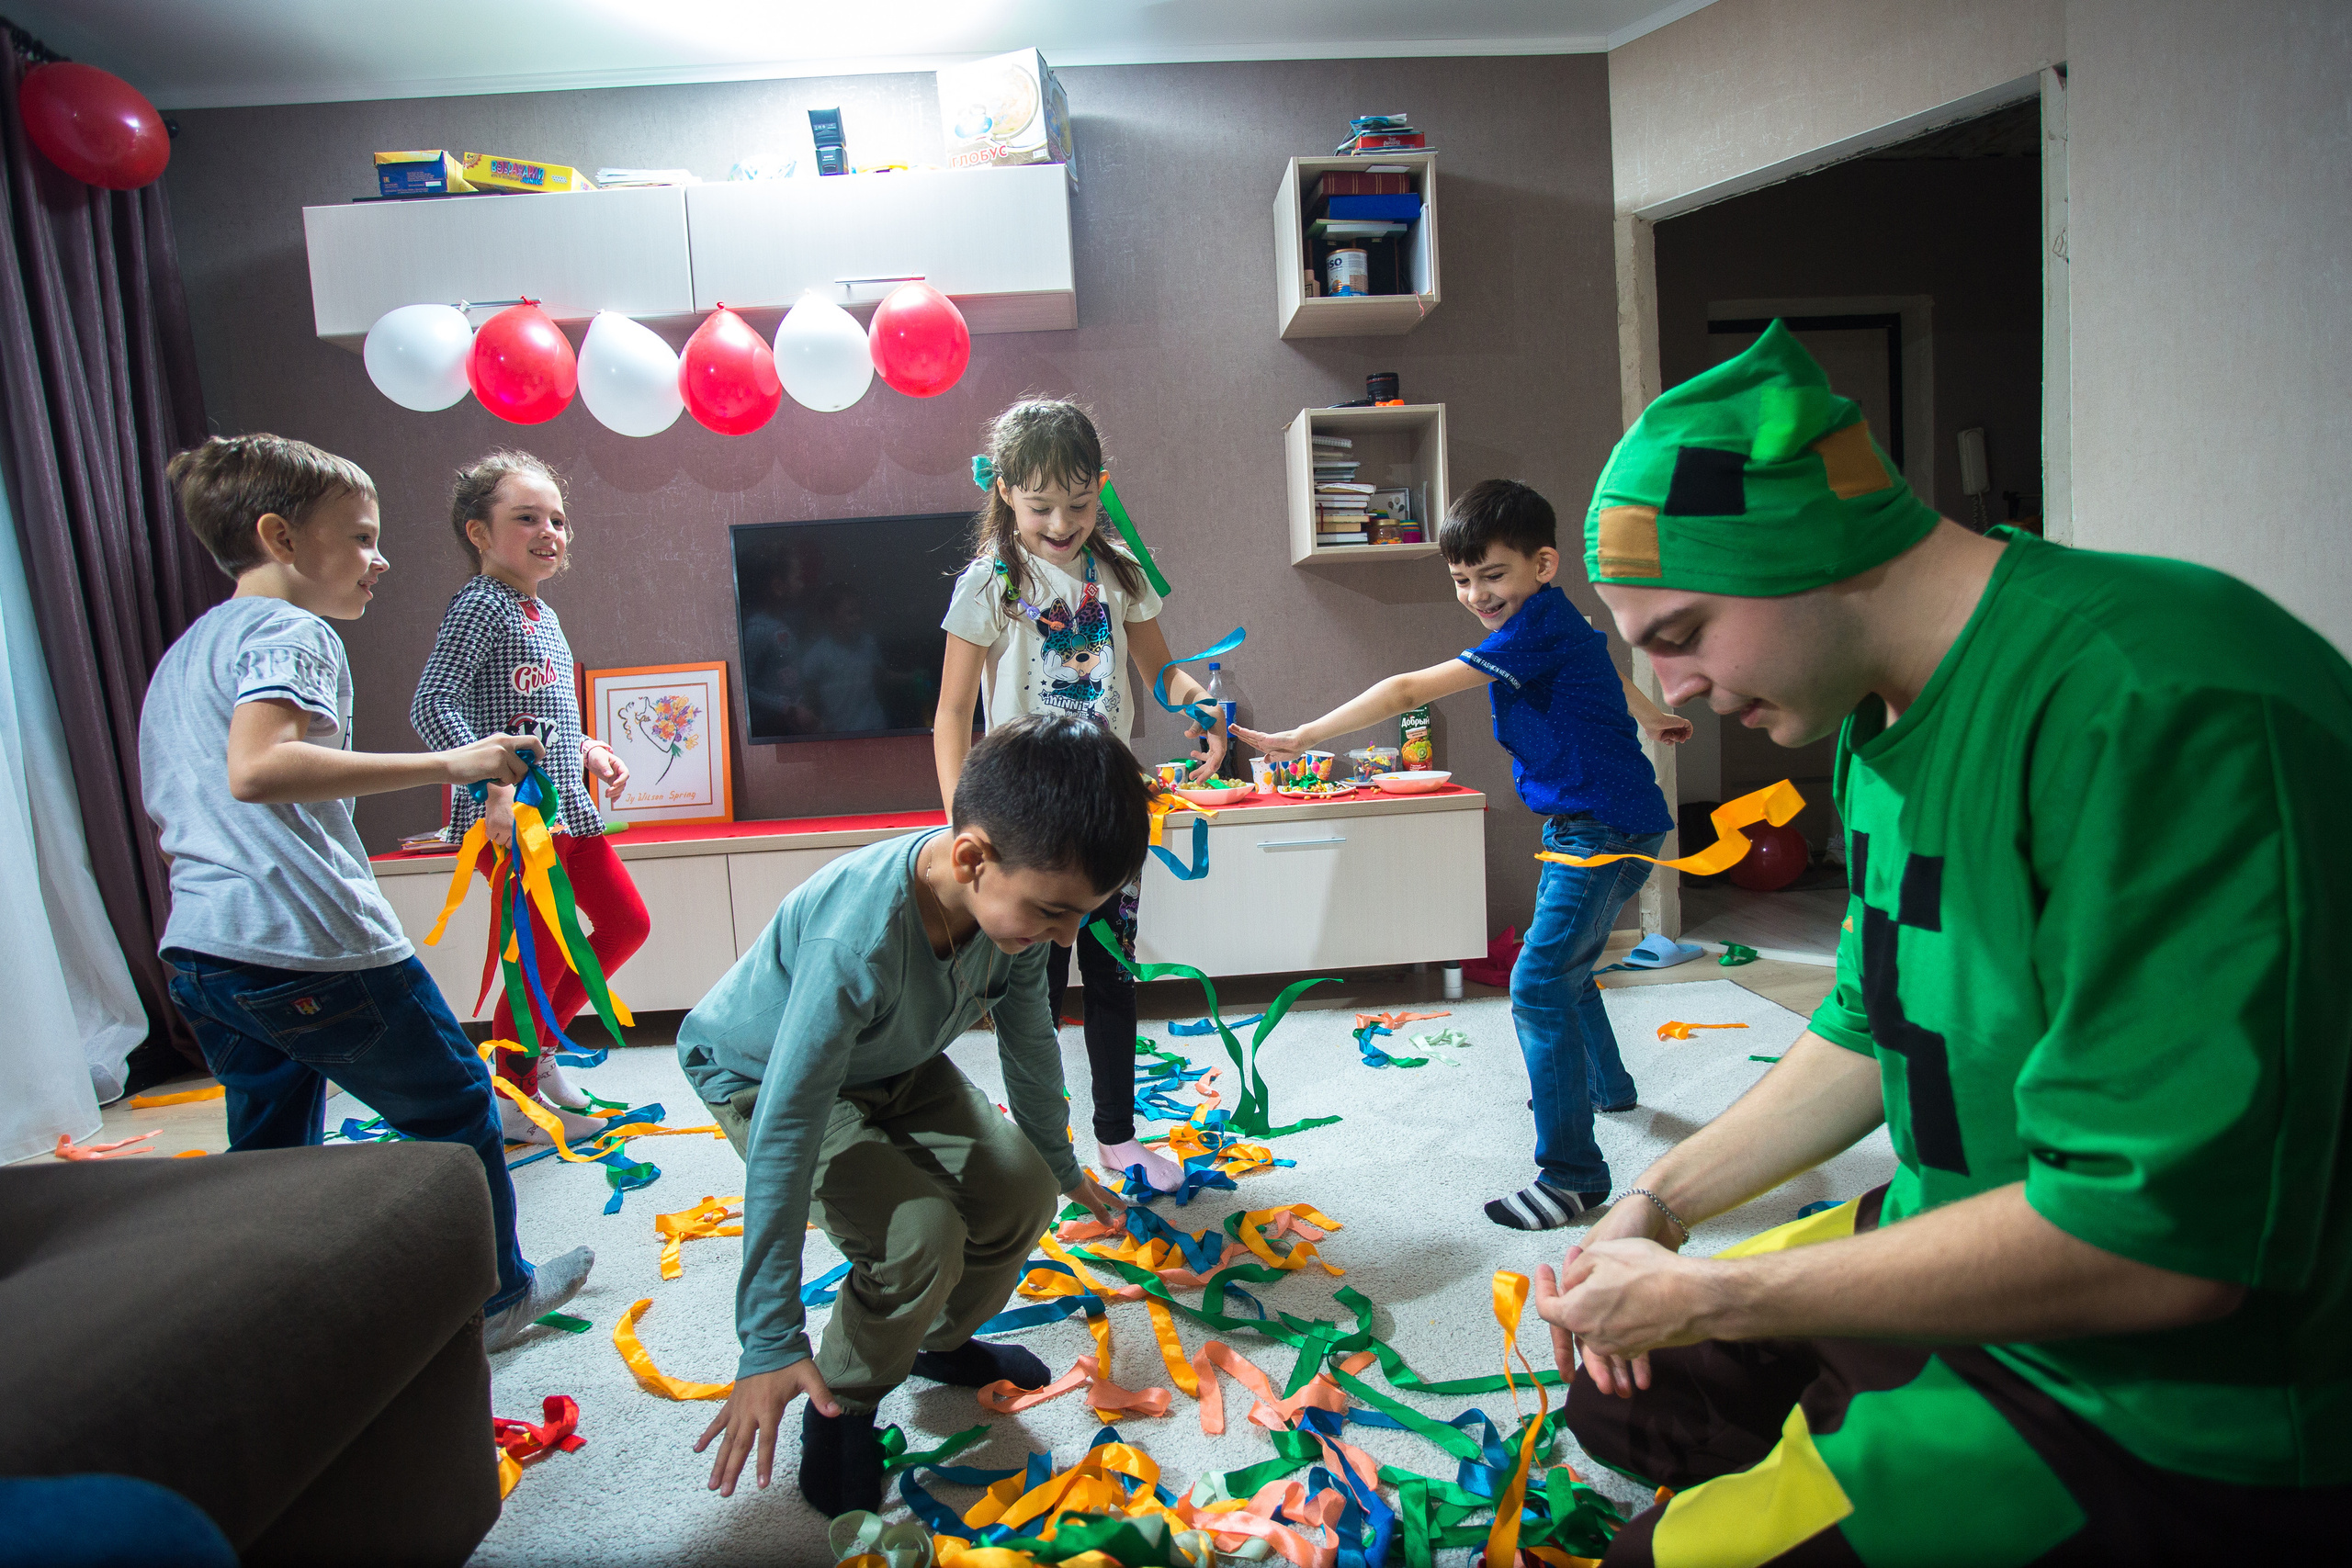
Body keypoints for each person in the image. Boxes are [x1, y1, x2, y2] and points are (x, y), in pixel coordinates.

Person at [1531, 321, 2352, 1563]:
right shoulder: (1877, 711)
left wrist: (1719, 1288)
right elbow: (1873, 1014)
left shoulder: (2163, 705)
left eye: (1681, 635)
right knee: (1631, 1386)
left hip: (2153, 1394)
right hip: (1954, 1224)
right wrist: (1659, 1201)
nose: (1674, 693)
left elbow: (2153, 1251)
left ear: (1807, 553)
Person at [141, 434, 593, 1351]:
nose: (380, 559)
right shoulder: (291, 631)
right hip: (307, 943)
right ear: (280, 538)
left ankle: (270, 1306)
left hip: (203, 949)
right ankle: (498, 1294)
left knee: (272, 1141)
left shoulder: (189, 649)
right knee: (462, 1106)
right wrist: (456, 761)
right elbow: (259, 766)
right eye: (360, 538)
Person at [681, 714, 1135, 1516]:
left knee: (1021, 1194)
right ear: (971, 857)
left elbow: (1030, 1047)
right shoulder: (857, 938)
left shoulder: (1016, 924)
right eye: (1053, 912)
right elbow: (788, 1123)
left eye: (1079, 917)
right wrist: (768, 1337)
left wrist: (1062, 1167)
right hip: (763, 1075)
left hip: (891, 1058)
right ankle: (845, 1403)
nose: (1062, 936)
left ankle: (937, 1339)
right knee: (919, 1233)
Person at [1233, 479, 1691, 1231]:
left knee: (1540, 983)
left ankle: (1574, 1174)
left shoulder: (1535, 626)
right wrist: (1652, 716)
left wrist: (1305, 736)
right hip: (1615, 822)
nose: (1477, 594)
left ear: (1543, 563)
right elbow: (1603, 663)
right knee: (1566, 970)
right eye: (1461, 580)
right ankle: (1608, 1090)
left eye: (1493, 575)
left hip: (1597, 830)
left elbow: (1410, 686)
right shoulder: (1558, 619)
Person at [932, 399, 1227, 1195]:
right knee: (1030, 989)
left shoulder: (1119, 568)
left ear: (1102, 486)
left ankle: (1117, 1138)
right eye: (1039, 506)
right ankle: (1040, 1145)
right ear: (1004, 493)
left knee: (1111, 974)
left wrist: (1195, 701)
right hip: (1024, 815)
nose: (1061, 522)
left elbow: (1161, 671)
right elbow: (954, 710)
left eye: (1079, 502)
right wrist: (965, 820)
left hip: (1109, 806)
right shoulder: (989, 582)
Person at [411, 450, 649, 1145]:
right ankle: (512, 1091)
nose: (550, 531)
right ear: (478, 533)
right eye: (527, 518)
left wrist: (587, 748)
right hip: (516, 822)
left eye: (558, 519)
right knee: (540, 947)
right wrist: (493, 782)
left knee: (624, 923)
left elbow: (538, 712)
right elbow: (433, 706)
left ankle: (537, 1057)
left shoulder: (537, 609)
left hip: (567, 808)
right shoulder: (479, 605)